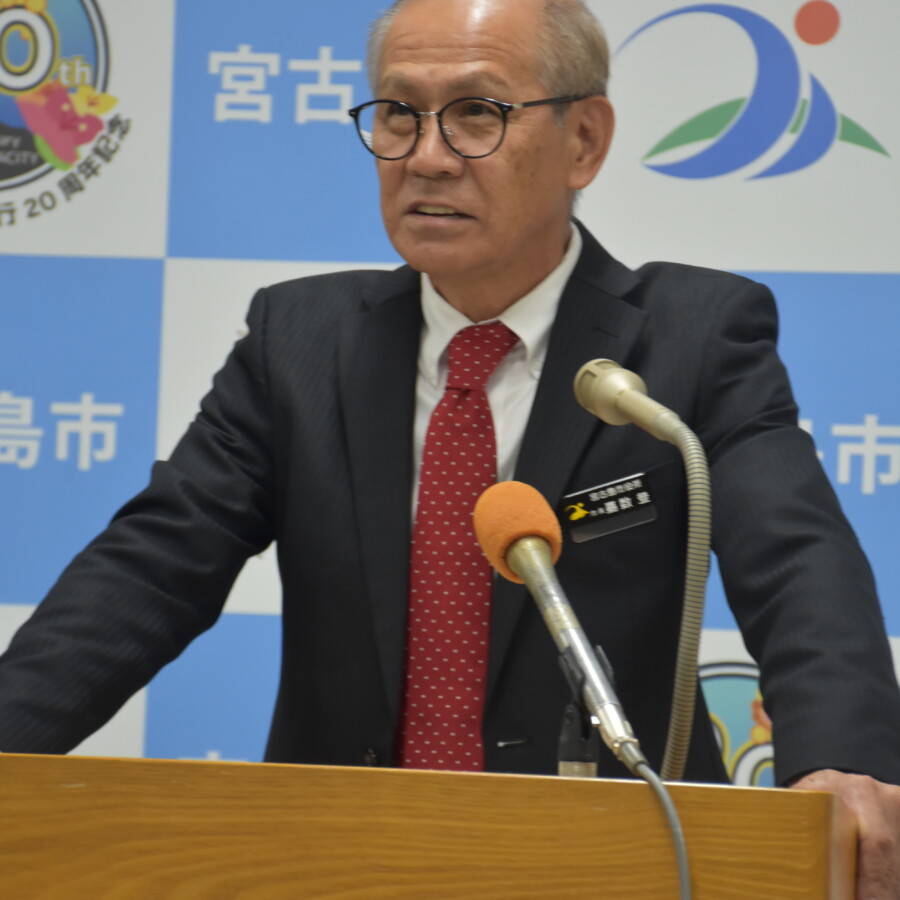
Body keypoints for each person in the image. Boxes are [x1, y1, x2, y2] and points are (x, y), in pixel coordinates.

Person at [2, 0, 899, 894]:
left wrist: (844, 763)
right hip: (339, 861)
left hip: (617, 858)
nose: (427, 156)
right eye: (399, 114)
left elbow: (797, 561)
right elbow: (152, 568)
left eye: (477, 113)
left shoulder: (690, 341)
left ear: (584, 140)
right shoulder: (299, 342)